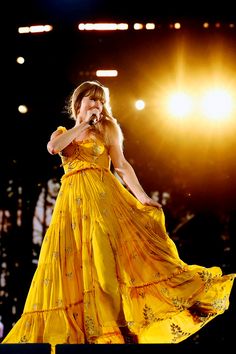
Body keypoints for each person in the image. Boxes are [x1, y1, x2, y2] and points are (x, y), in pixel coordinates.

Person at [1, 80, 235, 349]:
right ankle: (83, 335)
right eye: (91, 100)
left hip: (103, 203)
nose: (96, 105)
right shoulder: (64, 132)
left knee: (104, 265)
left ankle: (114, 331)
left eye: (100, 101)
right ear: (78, 104)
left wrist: (144, 197)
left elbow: (122, 166)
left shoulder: (108, 130)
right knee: (73, 267)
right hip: (72, 210)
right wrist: (83, 124)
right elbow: (54, 148)